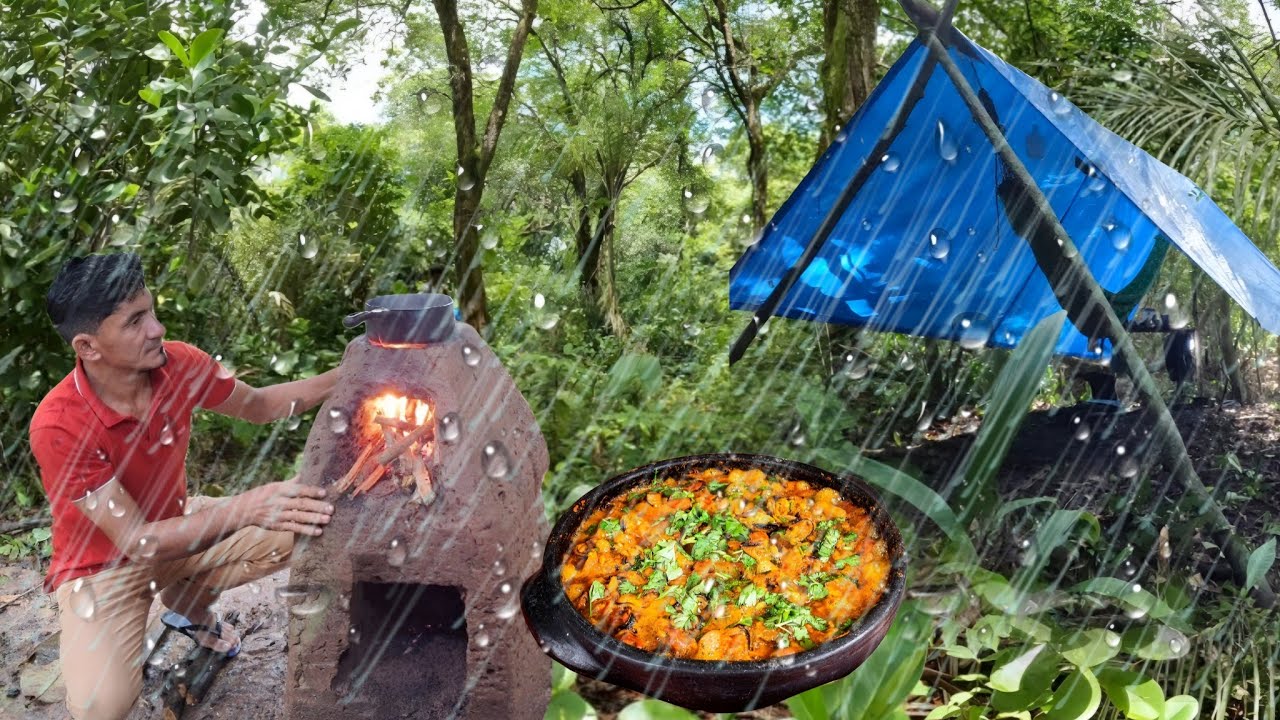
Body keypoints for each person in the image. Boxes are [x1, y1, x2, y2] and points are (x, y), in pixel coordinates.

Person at [27, 252, 338, 720]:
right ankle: (173, 595)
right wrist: (247, 508)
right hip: (100, 567)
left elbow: (262, 406)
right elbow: (136, 540)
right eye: (135, 321)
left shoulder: (180, 364)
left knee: (310, 525)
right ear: (88, 347)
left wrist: (350, 374)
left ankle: (190, 608)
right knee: (100, 707)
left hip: (175, 527)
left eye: (150, 311)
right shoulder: (59, 425)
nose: (156, 329)